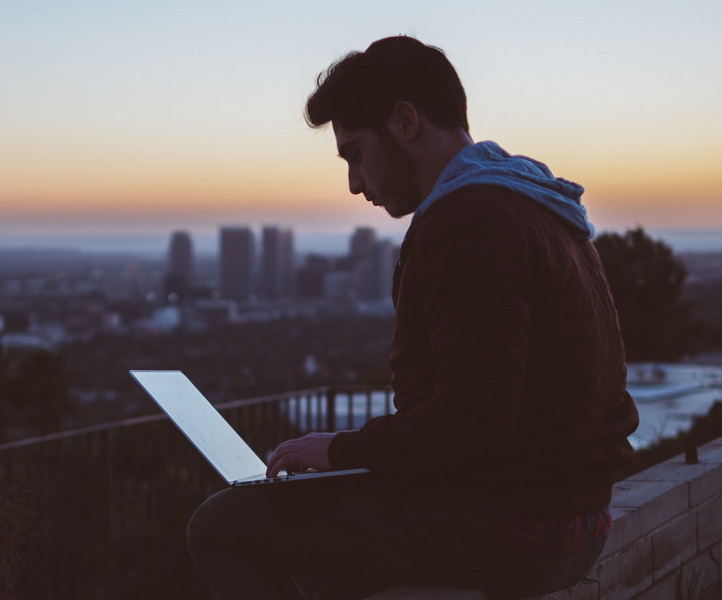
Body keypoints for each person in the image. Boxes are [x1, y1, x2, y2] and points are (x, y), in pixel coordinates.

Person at [187, 35, 640, 600]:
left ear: (404, 122)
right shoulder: (534, 203)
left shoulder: (470, 221)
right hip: (571, 514)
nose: (354, 182)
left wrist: (339, 451)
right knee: (332, 544)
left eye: (354, 152)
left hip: (517, 528)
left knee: (220, 525)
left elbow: (471, 421)